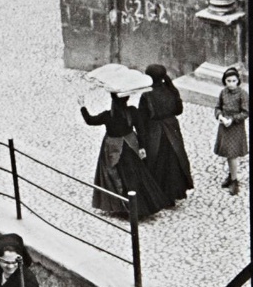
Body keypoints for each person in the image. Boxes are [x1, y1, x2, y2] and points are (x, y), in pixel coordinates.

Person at [80, 92, 172, 218]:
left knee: (117, 176)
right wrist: (142, 146)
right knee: (138, 175)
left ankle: (122, 206)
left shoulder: (108, 115)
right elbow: (141, 130)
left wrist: (83, 107)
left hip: (114, 149)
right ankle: (144, 205)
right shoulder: (132, 112)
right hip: (131, 147)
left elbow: (90, 120)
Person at [135, 64, 193, 204]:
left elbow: (141, 119)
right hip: (171, 129)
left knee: (156, 162)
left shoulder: (146, 95)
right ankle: (173, 193)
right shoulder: (171, 90)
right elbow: (178, 110)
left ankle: (158, 195)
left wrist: (141, 142)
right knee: (173, 161)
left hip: (154, 131)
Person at [213, 66, 249, 195]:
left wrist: (232, 119)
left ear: (238, 81)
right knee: (228, 154)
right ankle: (231, 175)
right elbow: (217, 107)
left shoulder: (242, 94)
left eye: (234, 81)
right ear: (225, 81)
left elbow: (246, 112)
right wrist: (220, 116)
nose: (231, 84)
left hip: (235, 127)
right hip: (224, 126)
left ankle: (234, 180)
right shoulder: (223, 93)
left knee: (232, 154)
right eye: (229, 81)